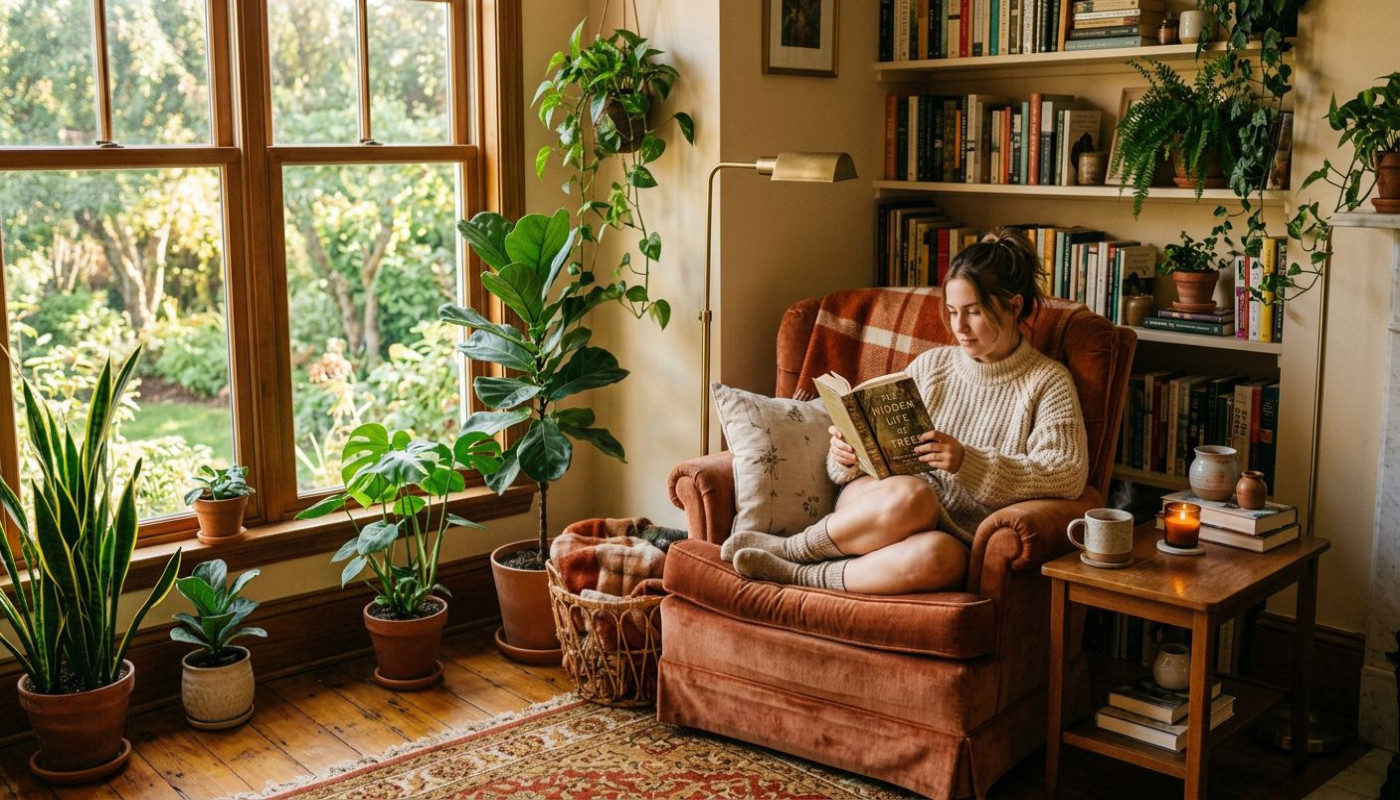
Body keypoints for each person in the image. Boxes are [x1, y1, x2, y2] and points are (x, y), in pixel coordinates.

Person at [723, 228, 1090, 594]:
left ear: (1015, 306)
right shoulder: (932, 366)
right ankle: (791, 549)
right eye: (952, 312)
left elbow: (1066, 474)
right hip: (882, 504)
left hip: (953, 531)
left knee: (942, 558)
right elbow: (858, 466)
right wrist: (847, 455)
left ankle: (798, 574)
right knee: (916, 497)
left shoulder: (1046, 381)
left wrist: (968, 462)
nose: (959, 327)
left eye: (974, 313)